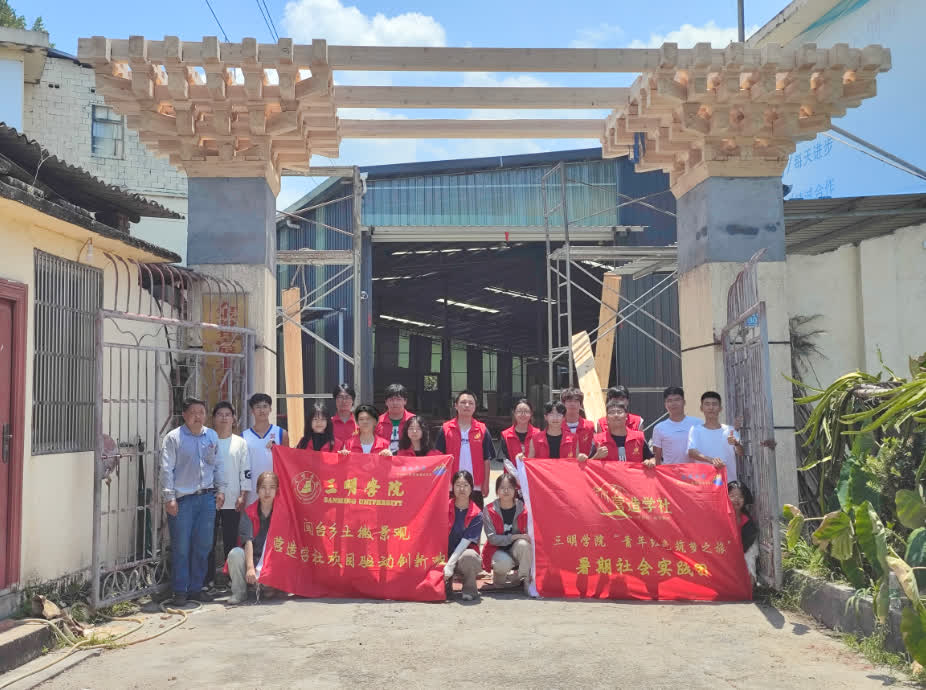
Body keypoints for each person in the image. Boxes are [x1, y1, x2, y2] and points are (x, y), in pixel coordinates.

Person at [160, 397, 226, 605]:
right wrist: (169, 498)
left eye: (201, 412)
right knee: (181, 546)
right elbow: (166, 469)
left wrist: (221, 490)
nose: (198, 416)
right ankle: (180, 590)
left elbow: (217, 464)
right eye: (193, 413)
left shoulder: (212, 436)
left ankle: (196, 589)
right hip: (183, 500)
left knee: (203, 545)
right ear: (184, 415)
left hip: (207, 498)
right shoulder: (173, 438)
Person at [205, 401, 250, 590]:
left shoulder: (240, 443)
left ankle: (233, 579)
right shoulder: (207, 440)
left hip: (233, 500)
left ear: (233, 419)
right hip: (210, 499)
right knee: (208, 541)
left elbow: (245, 471)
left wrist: (243, 495)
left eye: (228, 414)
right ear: (213, 418)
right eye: (220, 414)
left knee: (231, 541)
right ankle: (207, 580)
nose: (224, 418)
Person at [435, 390, 495, 508]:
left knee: (475, 516)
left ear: (475, 407)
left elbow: (486, 460)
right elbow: (438, 459)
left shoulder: (482, 430)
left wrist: (486, 484)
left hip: (475, 485)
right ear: (456, 406)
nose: (467, 405)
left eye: (470, 403)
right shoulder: (445, 429)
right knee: (451, 516)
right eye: (463, 402)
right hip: (451, 485)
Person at [226, 471, 278, 604]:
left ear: (277, 490)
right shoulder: (249, 512)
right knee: (235, 553)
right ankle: (240, 592)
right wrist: (250, 568)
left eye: (272, 487)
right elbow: (247, 541)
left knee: (269, 591)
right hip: (253, 559)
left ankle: (270, 587)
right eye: (263, 488)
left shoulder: (281, 512)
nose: (267, 492)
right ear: (257, 490)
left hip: (271, 562)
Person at [483, 474, 532, 594]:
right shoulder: (489, 510)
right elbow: (493, 539)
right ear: (497, 491)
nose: (506, 491)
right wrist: (515, 536)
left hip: (515, 549)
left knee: (524, 545)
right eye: (502, 488)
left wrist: (520, 538)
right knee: (502, 569)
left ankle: (524, 578)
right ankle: (501, 578)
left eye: (509, 487)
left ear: (515, 490)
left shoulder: (523, 508)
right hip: (496, 550)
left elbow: (528, 534)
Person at [243, 393, 289, 505]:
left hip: (274, 488)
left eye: (265, 406)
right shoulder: (244, 436)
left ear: (270, 409)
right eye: (258, 407)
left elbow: (287, 463)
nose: (262, 410)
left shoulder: (281, 433)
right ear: (252, 411)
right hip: (252, 489)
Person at [444, 470, 483, 601]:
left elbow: (464, 543)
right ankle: (445, 585)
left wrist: (450, 565)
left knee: (469, 556)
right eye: (458, 485)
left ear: (471, 488)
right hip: (443, 554)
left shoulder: (476, 514)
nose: (462, 489)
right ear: (452, 487)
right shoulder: (444, 506)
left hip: (462, 557)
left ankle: (469, 589)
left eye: (466, 485)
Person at [687, 391, 743, 481]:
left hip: (728, 481)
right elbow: (691, 452)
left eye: (714, 404)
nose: (711, 407)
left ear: (720, 408)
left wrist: (736, 444)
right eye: (707, 404)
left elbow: (741, 453)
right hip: (705, 482)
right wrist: (712, 460)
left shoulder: (730, 430)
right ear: (701, 408)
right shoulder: (695, 430)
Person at [519, 401, 587, 462]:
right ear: (546, 417)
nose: (555, 418)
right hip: (543, 472)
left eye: (559, 415)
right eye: (551, 414)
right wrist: (522, 459)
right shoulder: (535, 438)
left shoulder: (573, 438)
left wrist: (581, 457)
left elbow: (576, 460)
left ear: (563, 418)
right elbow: (530, 462)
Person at [651, 386, 701, 465]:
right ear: (665, 404)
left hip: (693, 471)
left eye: (677, 400)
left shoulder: (697, 423)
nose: (673, 404)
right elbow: (657, 458)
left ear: (684, 402)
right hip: (670, 472)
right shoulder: (659, 428)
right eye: (669, 401)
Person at [729, 480, 759, 585]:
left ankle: (749, 586)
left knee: (749, 557)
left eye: (740, 496)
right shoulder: (721, 517)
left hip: (745, 548)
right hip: (727, 549)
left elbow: (748, 541)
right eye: (732, 496)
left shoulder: (747, 520)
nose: (736, 499)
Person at [498, 399, 537, 471]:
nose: (523, 414)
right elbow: (505, 460)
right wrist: (517, 475)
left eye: (526, 411)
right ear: (514, 413)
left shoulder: (538, 434)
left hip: (532, 474)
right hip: (511, 475)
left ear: (531, 414)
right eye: (519, 411)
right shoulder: (505, 435)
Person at [375, 383, 415, 454]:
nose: (395, 403)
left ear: (405, 401)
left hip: (408, 460)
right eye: (391, 400)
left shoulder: (414, 421)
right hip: (383, 459)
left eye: (398, 399)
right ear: (386, 402)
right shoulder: (376, 422)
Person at [560, 387, 596, 457]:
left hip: (585, 463)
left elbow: (594, 449)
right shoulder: (557, 426)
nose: (572, 404)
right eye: (569, 401)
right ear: (563, 404)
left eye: (576, 401)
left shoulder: (589, 426)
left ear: (581, 404)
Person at [331, 383, 358, 448]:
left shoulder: (359, 423)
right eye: (340, 397)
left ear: (353, 401)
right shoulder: (328, 423)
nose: (344, 401)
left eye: (347, 397)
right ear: (335, 400)